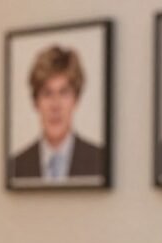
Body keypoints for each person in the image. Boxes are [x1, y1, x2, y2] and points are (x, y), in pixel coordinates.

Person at [11, 45, 104, 181]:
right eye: (47, 94)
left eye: (64, 93)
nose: (55, 105)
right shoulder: (16, 166)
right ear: (36, 102)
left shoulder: (100, 160)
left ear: (76, 100)